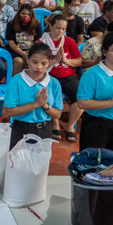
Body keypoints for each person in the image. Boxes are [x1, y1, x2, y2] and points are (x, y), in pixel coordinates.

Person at [4, 43, 63, 150]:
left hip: (44, 130)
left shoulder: (54, 83)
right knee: (18, 164)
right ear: (27, 60)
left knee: (41, 165)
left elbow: (57, 114)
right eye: (34, 62)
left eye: (44, 63)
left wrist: (45, 105)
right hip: (21, 129)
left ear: (49, 63)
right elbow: (10, 111)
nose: (39, 67)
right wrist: (35, 104)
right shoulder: (16, 81)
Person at [36, 14, 82, 142]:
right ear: (50, 26)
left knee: (81, 98)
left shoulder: (69, 41)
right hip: (48, 76)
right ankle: (55, 123)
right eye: (57, 28)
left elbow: (79, 61)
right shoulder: (41, 42)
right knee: (50, 95)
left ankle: (70, 126)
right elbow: (36, 64)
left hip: (68, 76)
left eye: (63, 29)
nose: (60, 31)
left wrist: (66, 61)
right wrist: (55, 60)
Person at [6, 3, 43, 75]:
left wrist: (30, 54)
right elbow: (11, 43)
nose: (26, 16)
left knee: (36, 62)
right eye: (23, 13)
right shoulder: (11, 24)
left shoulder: (36, 25)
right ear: (19, 13)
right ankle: (14, 82)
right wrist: (23, 54)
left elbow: (38, 42)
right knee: (19, 62)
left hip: (32, 51)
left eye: (28, 14)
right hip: (16, 52)